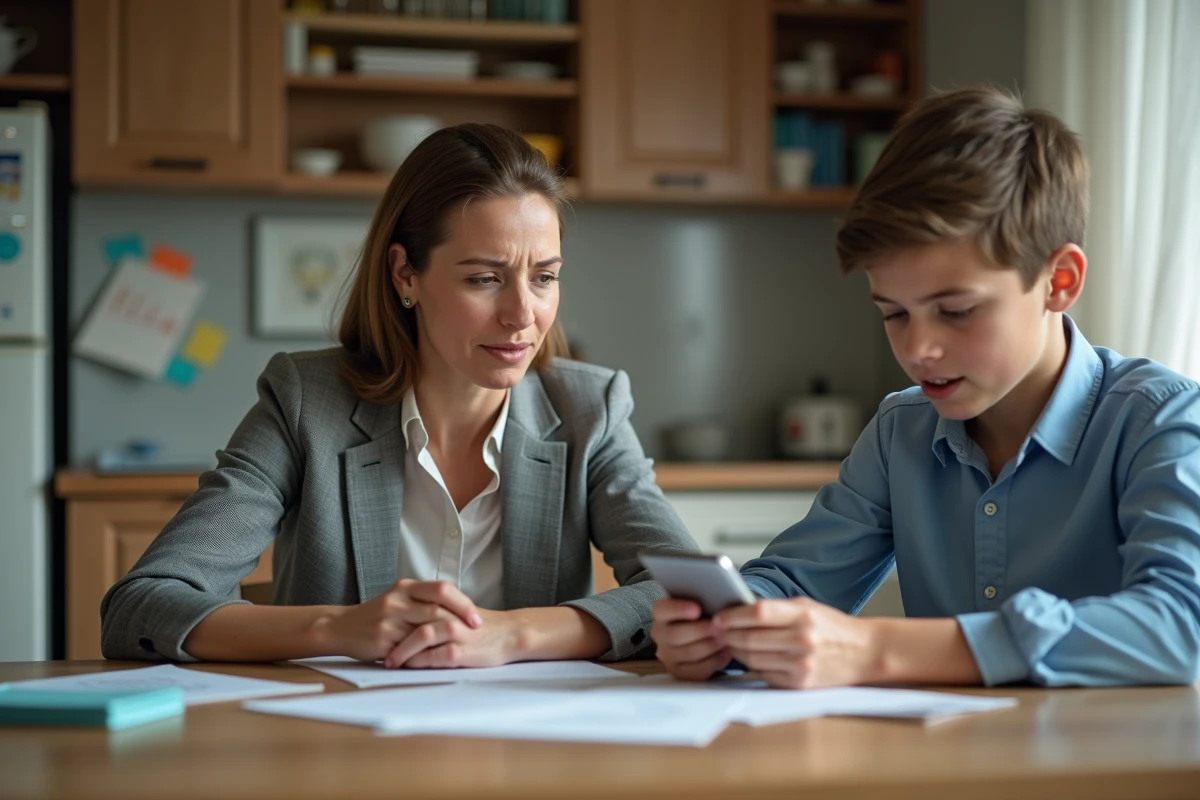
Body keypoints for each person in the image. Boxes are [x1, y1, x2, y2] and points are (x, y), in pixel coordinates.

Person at [651, 86, 1200, 689]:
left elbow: (1181, 625)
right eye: (894, 313)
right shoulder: (900, 431)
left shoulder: (1162, 419)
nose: (917, 350)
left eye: (956, 311)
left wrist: (877, 649)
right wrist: (724, 629)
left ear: (1059, 280)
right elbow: (793, 583)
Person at [101, 123, 698, 667]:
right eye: (484, 278)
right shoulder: (305, 402)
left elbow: (688, 597)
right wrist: (338, 628)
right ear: (405, 274)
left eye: (544, 277)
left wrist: (515, 634)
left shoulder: (590, 409)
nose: (523, 314)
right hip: (338, 740)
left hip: (526, 741)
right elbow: (142, 605)